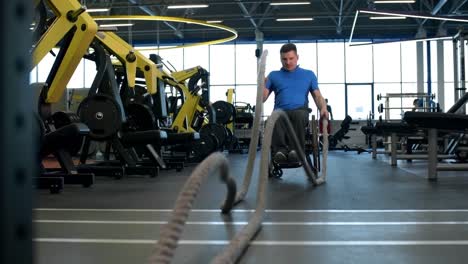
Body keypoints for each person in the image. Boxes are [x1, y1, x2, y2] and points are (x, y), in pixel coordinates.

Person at [263, 43, 329, 163]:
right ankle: (280, 152)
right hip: (280, 111)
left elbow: (317, 96)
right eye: (284, 59)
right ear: (280, 59)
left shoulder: (309, 74)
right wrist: (261, 85)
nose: (288, 62)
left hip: (300, 110)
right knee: (274, 117)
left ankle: (296, 151)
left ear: (297, 57)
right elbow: (262, 98)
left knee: (298, 115)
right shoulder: (273, 75)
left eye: (291, 58)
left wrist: (323, 108)